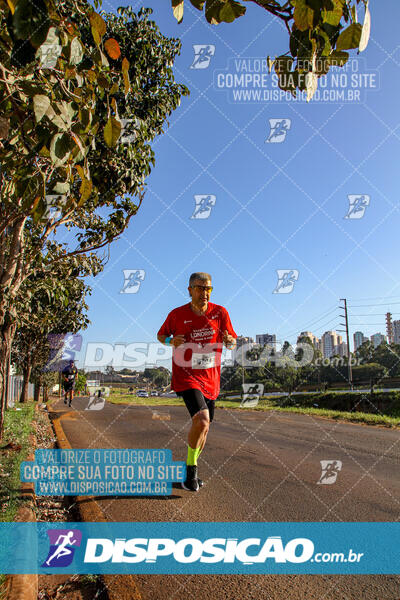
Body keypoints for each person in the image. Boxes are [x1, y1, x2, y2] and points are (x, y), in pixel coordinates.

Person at [157, 272, 237, 492]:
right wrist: (171, 340)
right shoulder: (177, 314)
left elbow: (231, 338)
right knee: (202, 421)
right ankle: (191, 472)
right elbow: (160, 335)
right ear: (190, 290)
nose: (205, 293)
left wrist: (230, 341)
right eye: (201, 288)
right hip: (186, 375)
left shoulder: (220, 313)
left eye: (209, 288)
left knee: (205, 428)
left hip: (211, 378)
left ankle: (190, 465)